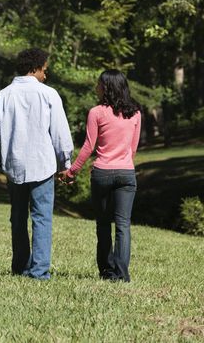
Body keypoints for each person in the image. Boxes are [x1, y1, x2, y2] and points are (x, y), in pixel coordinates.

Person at [0, 48, 73, 280]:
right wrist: (65, 161)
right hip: (42, 165)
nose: (46, 75)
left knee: (17, 217)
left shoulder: (3, 95)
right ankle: (39, 271)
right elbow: (60, 134)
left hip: (14, 165)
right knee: (42, 217)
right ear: (35, 68)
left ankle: (20, 266)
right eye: (45, 70)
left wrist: (0, 160)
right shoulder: (49, 94)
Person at [60, 69, 141, 282]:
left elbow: (88, 147)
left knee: (103, 224)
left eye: (98, 84)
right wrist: (123, 162)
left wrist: (72, 171)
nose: (96, 87)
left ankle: (106, 272)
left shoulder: (96, 112)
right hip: (126, 173)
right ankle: (122, 274)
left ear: (106, 87)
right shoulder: (135, 113)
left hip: (102, 174)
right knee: (123, 225)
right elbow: (133, 149)